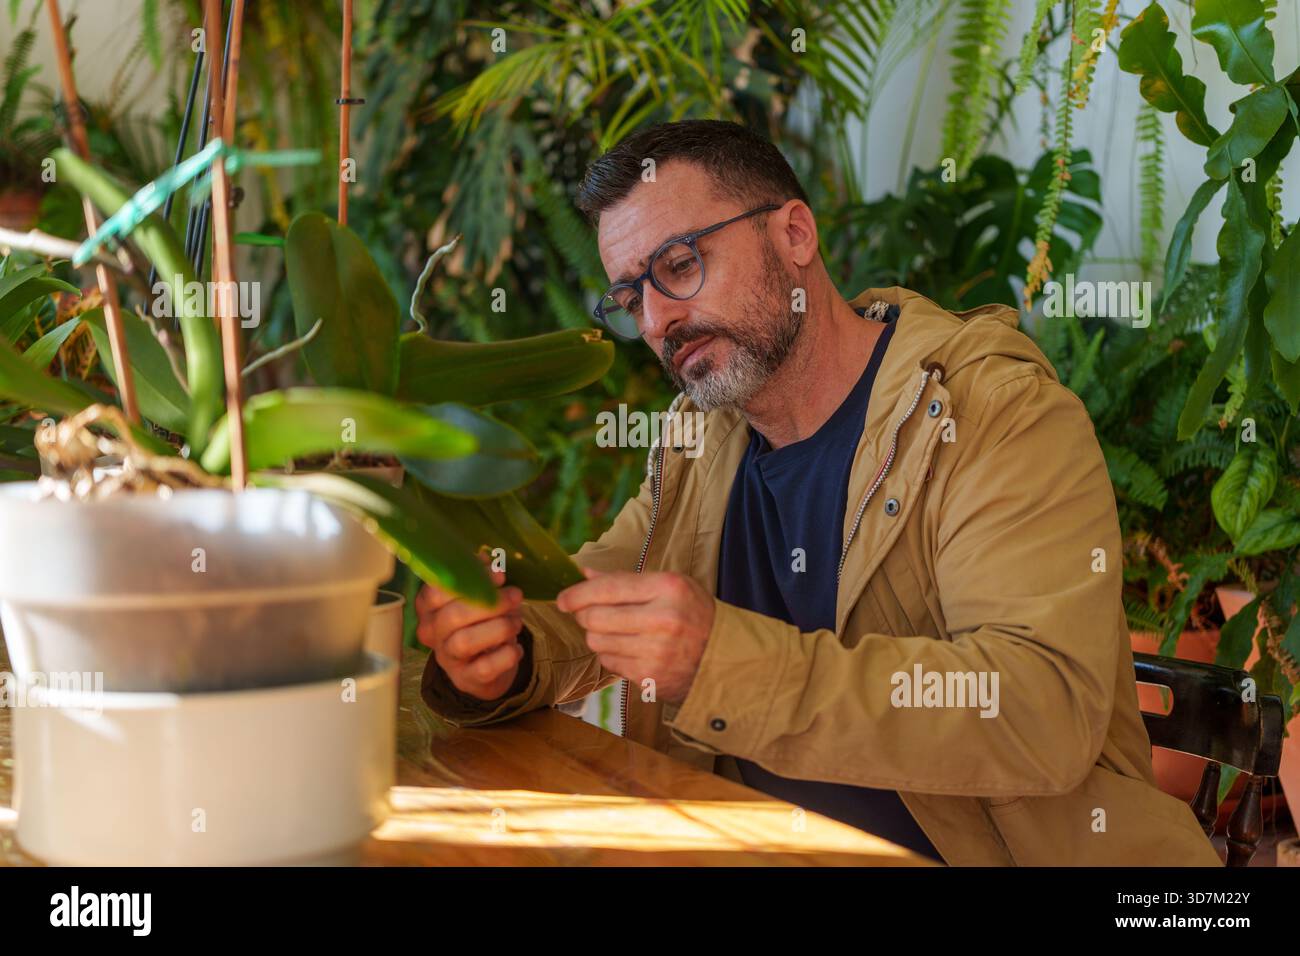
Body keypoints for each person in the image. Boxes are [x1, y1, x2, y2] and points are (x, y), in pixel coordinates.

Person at [416, 118, 1221, 866]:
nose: (661, 318)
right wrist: (507, 651)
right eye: (634, 297)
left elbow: (1041, 712)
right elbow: (598, 592)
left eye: (680, 266)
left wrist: (724, 664)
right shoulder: (703, 435)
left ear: (793, 234)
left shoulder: (993, 415)